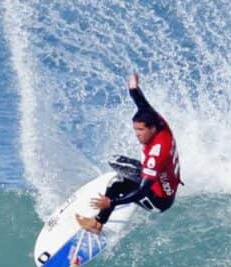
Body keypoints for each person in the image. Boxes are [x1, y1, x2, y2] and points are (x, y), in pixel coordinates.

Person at [77, 72, 181, 233]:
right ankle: (115, 202)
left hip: (158, 201)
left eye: (141, 130)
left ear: (152, 129)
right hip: (162, 182)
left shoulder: (157, 153)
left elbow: (142, 191)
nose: (137, 134)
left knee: (116, 183)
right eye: (135, 129)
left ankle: (97, 224)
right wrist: (133, 87)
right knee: (117, 162)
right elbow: (142, 104)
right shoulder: (159, 124)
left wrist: (111, 203)